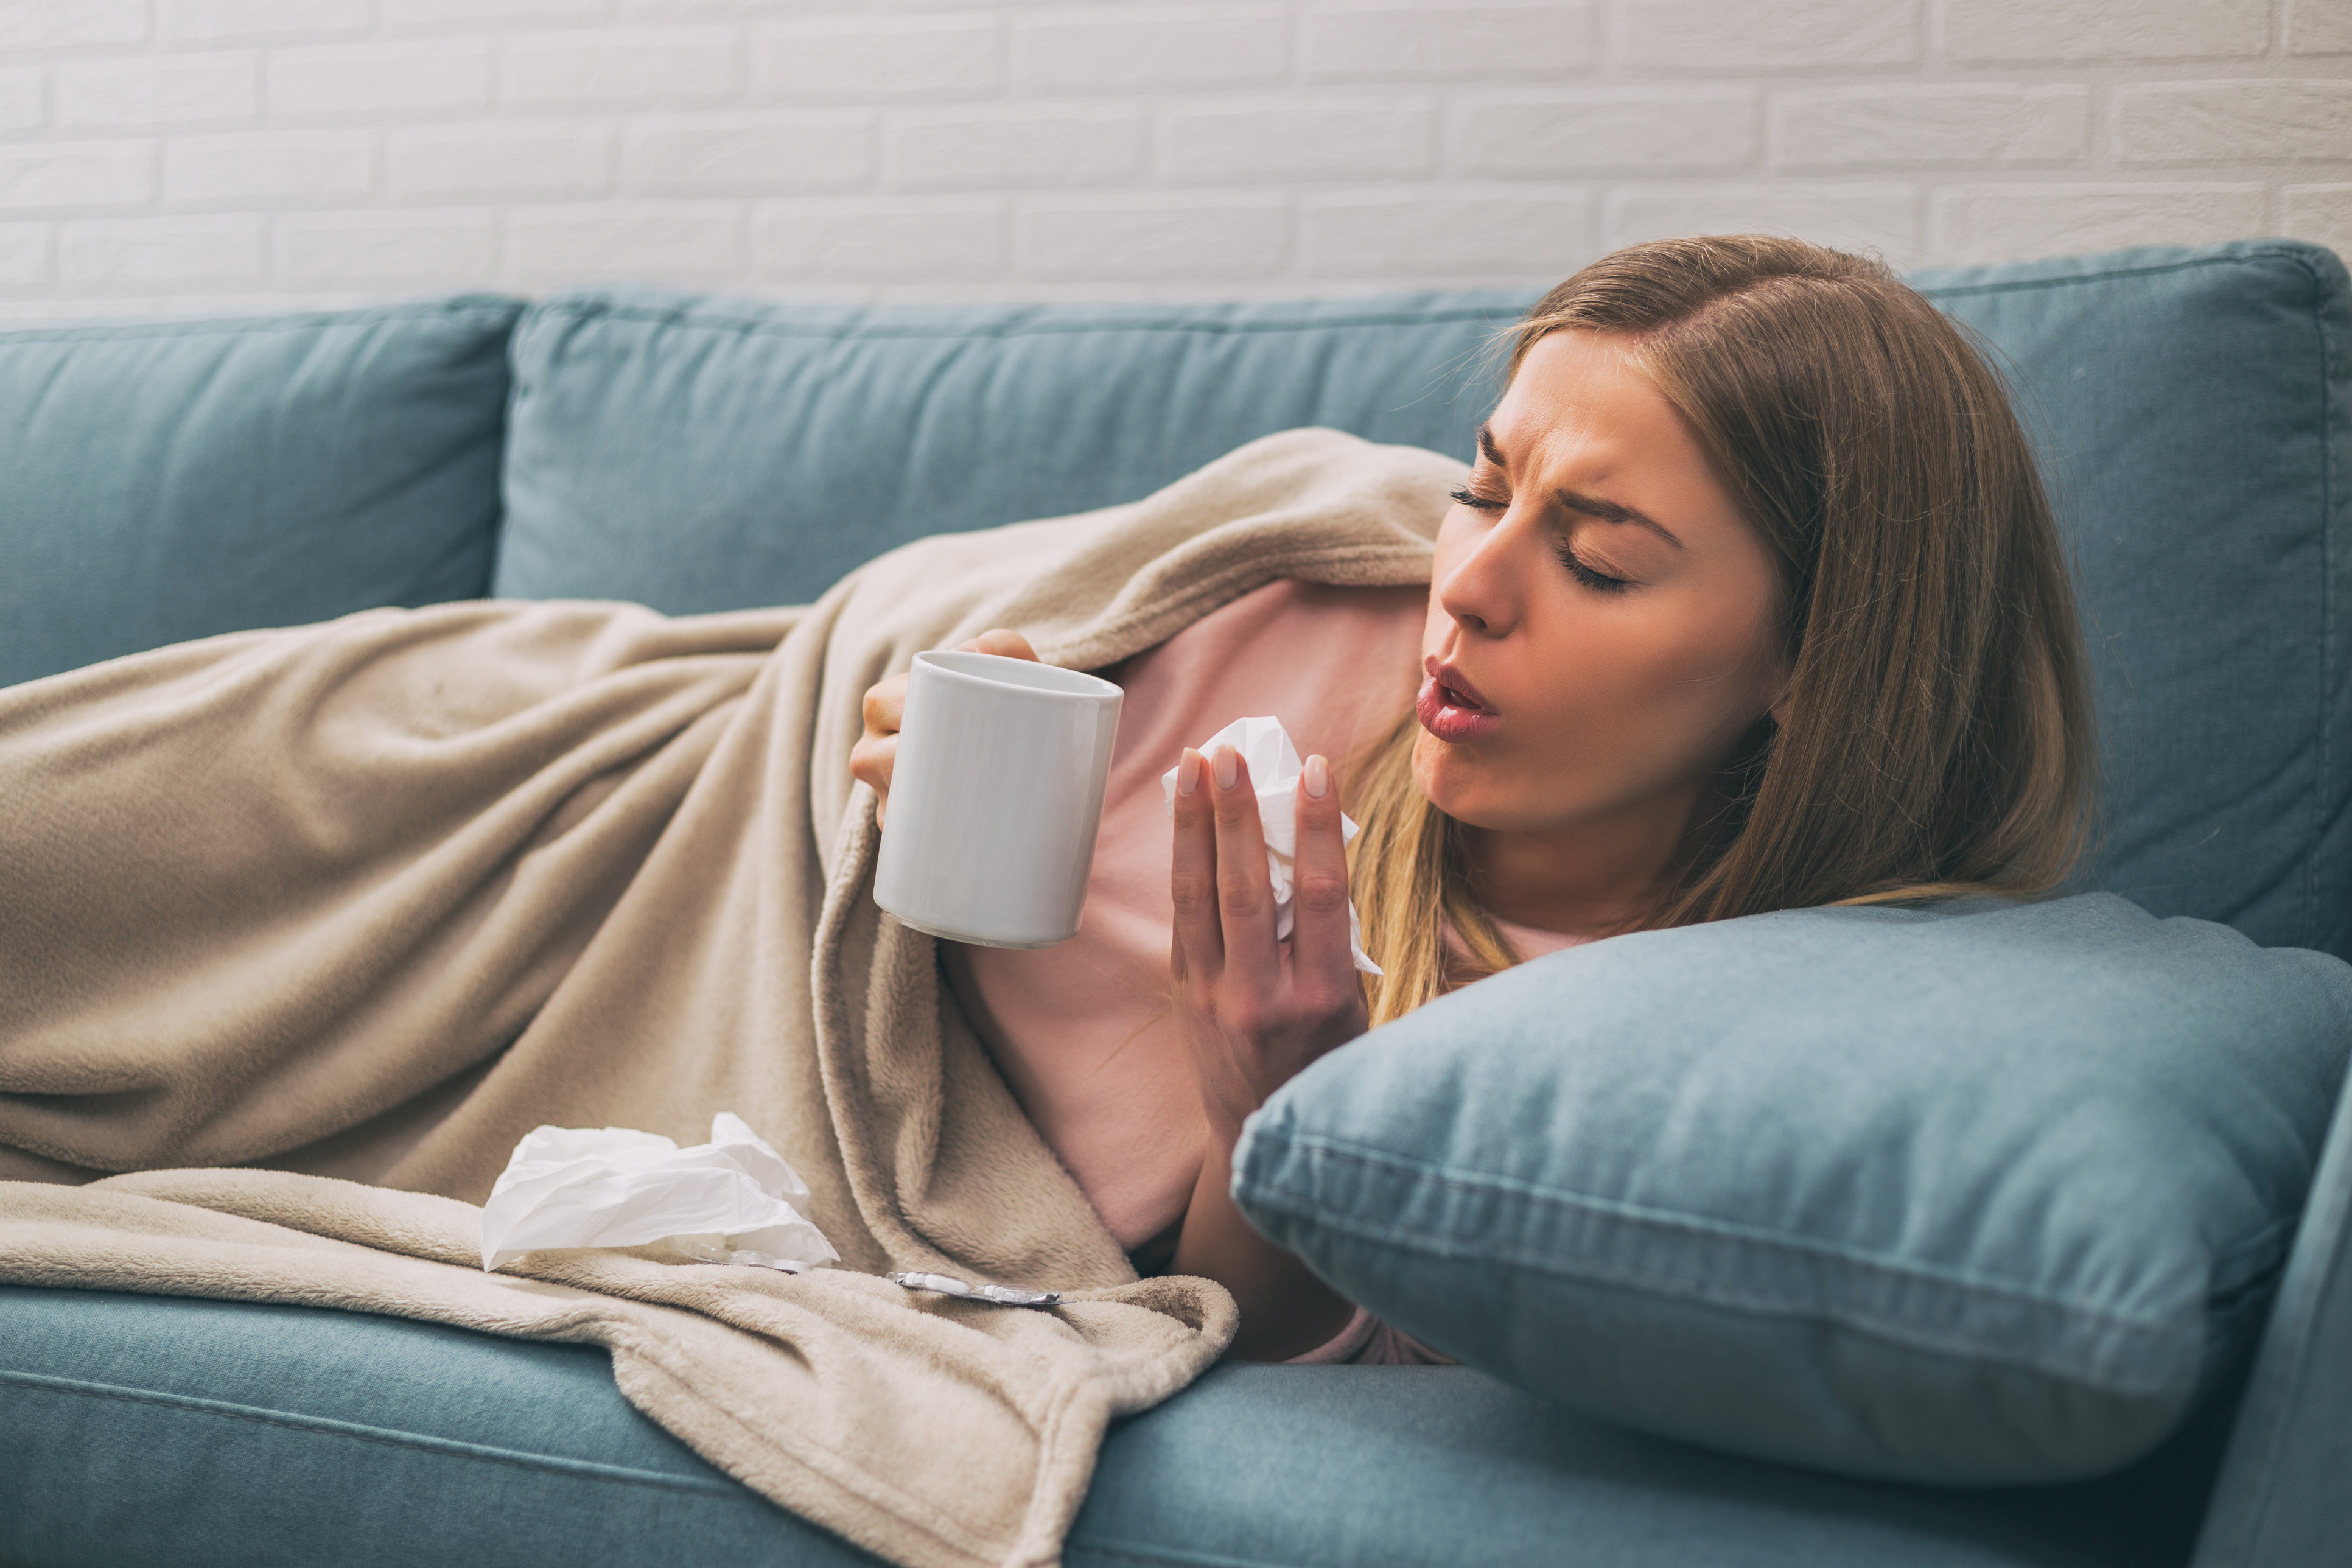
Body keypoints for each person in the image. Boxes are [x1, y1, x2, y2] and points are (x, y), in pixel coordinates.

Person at [850, 234, 2097, 1362]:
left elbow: (1251, 1363)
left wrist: (1267, 1118)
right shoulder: (1333, 603)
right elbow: (1010, 632)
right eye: (1486, 489)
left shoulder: (1662, 1057)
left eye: (1598, 560)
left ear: (1818, 661)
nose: (1471, 589)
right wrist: (939, 713)